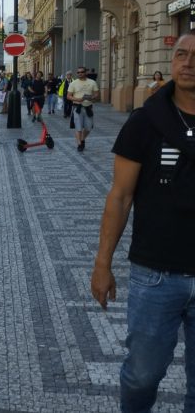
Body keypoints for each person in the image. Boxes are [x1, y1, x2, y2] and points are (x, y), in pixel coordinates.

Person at [90, 34, 195, 412]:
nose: (188, 62)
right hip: (156, 274)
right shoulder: (146, 121)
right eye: (181, 54)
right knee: (142, 375)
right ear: (171, 61)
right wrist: (103, 264)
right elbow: (120, 196)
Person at [67, 67, 99, 152]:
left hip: (88, 107)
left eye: (82, 72)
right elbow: (68, 96)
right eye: (78, 72)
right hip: (77, 107)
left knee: (88, 127)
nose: (80, 73)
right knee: (78, 127)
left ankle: (82, 139)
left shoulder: (92, 82)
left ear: (86, 72)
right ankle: (79, 144)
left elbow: (97, 94)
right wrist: (78, 99)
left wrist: (92, 97)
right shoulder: (73, 83)